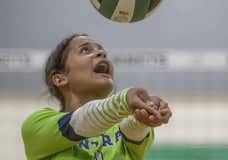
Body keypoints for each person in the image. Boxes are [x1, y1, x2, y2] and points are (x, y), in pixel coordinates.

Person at [21, 34, 172, 160]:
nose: (102, 53)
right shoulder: (37, 125)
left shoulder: (123, 129)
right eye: (85, 50)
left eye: (101, 50)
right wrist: (124, 100)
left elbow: (133, 128)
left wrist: (147, 113)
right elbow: (81, 122)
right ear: (60, 79)